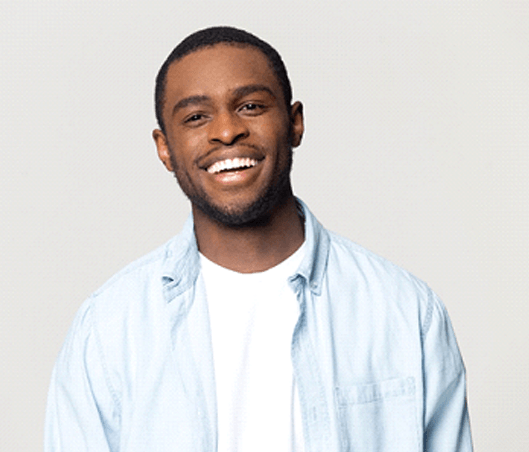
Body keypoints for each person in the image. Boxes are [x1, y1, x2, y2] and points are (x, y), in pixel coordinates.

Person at [44, 26, 473, 451]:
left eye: (250, 106)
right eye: (196, 117)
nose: (227, 131)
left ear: (295, 123)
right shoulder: (108, 330)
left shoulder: (405, 311)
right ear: (165, 149)